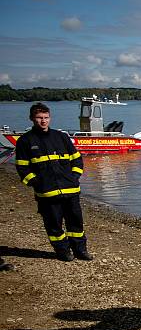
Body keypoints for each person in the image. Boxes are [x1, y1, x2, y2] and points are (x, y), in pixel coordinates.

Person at [14, 103, 92, 262]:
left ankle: (80, 251)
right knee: (54, 225)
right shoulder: (25, 141)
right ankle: (63, 251)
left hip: (70, 190)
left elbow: (77, 160)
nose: (43, 121)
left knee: (76, 224)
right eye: (39, 118)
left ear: (50, 118)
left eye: (46, 118)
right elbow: (22, 168)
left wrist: (74, 177)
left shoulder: (61, 137)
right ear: (32, 119)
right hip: (47, 193)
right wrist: (37, 184)